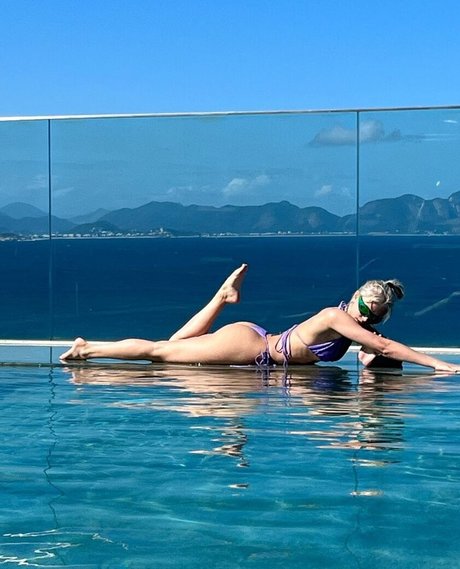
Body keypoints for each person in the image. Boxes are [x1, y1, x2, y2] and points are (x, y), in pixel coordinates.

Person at [60, 263, 460, 373]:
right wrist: (441, 365)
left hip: (257, 344)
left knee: (171, 348)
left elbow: (373, 349)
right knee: (159, 353)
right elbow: (385, 347)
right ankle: (87, 349)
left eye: (373, 314)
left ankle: (223, 297)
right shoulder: (334, 316)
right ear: (354, 298)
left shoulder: (351, 325)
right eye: (363, 307)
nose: (363, 316)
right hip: (252, 347)